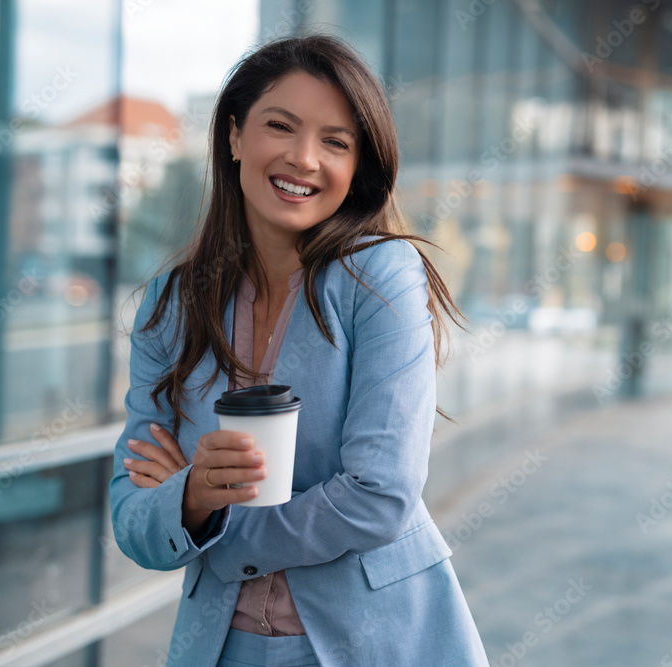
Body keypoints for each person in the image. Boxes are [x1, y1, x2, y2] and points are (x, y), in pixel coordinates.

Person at [109, 34, 488, 667]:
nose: (304, 158)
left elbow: (379, 495)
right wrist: (196, 494)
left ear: (357, 164)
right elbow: (132, 517)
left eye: (335, 141)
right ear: (234, 136)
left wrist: (208, 520)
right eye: (279, 126)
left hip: (378, 640)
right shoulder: (169, 306)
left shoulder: (382, 274)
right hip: (220, 645)